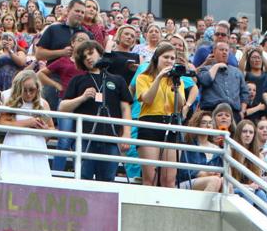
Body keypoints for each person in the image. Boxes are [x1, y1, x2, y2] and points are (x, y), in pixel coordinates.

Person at [59, 39, 132, 181]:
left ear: (100, 53)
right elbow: (62, 107)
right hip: (85, 138)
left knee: (107, 179)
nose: (88, 58)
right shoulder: (77, 80)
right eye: (84, 57)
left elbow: (125, 108)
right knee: (83, 177)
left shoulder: (118, 80)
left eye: (91, 53)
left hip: (111, 138)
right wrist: (82, 98)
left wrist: (126, 134)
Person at [136, 43, 193, 187]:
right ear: (156, 58)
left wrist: (176, 87)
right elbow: (147, 99)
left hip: (170, 122)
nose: (169, 61)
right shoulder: (143, 77)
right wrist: (159, 77)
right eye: (165, 57)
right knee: (151, 178)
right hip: (150, 123)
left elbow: (180, 105)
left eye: (172, 58)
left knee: (169, 179)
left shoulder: (176, 80)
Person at [0, 68, 53, 176]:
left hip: (37, 146)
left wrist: (45, 129)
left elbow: (52, 128)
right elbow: (2, 123)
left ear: (37, 88)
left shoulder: (43, 104)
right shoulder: (11, 102)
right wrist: (28, 123)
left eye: (31, 90)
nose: (28, 94)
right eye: (24, 90)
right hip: (14, 145)